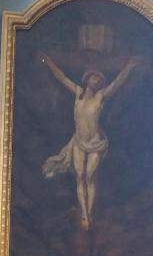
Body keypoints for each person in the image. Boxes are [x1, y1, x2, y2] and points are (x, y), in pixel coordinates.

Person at [41, 54, 138, 229]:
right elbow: (61, 78)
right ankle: (84, 214)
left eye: (98, 79)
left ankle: (89, 212)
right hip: (78, 142)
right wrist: (49, 63)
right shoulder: (78, 93)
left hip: (95, 144)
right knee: (80, 177)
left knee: (89, 176)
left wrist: (129, 67)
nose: (96, 80)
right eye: (94, 77)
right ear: (87, 80)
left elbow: (117, 83)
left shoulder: (100, 96)